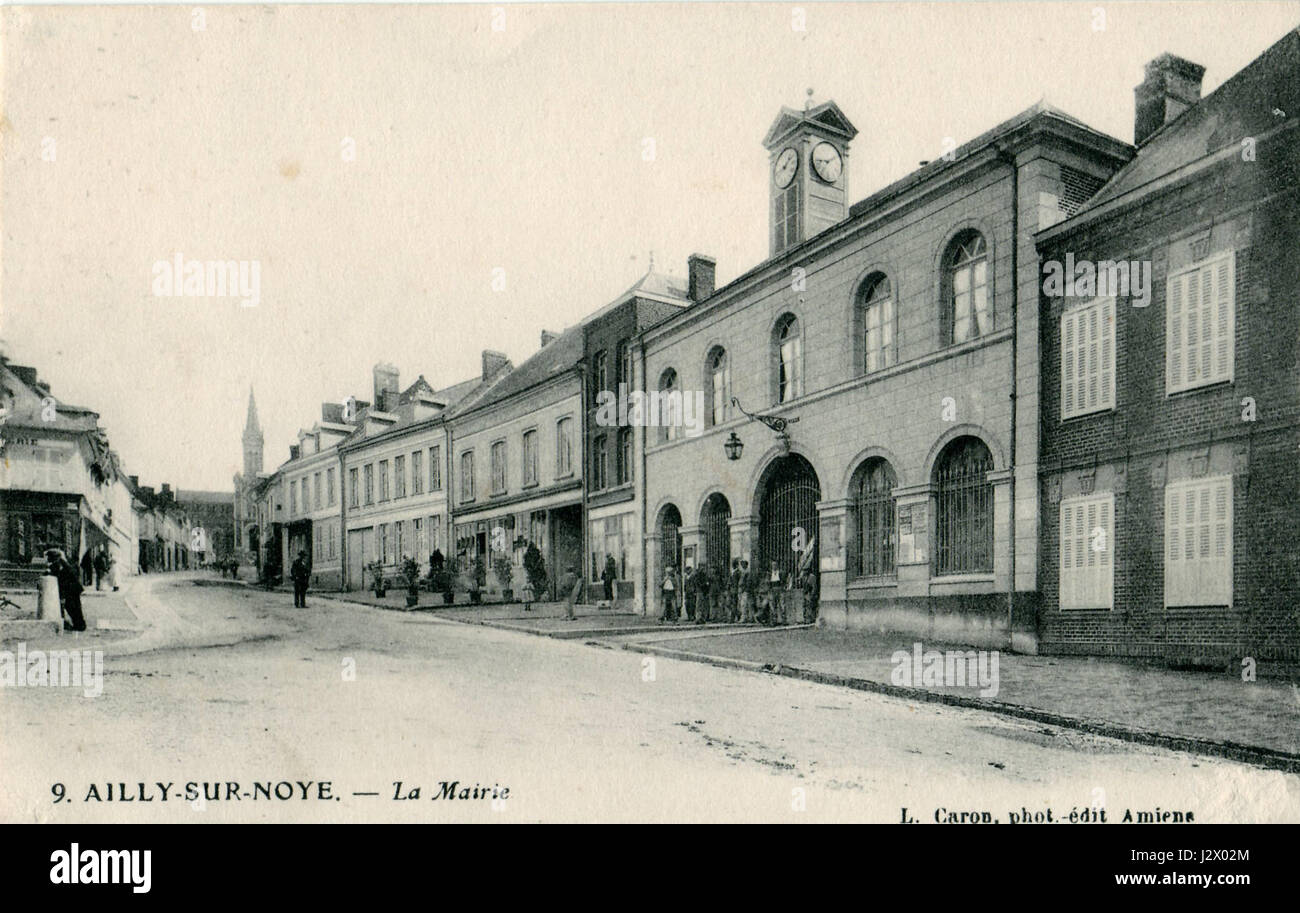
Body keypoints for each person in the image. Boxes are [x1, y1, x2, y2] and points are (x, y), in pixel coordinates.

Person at [47, 549, 86, 632]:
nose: (48, 559)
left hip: (71, 589)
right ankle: (79, 625)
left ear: (54, 557)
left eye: (49, 557)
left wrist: (63, 595)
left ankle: (79, 625)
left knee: (73, 607)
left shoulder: (59, 564)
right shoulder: (61, 563)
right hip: (72, 589)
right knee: (74, 607)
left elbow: (62, 579)